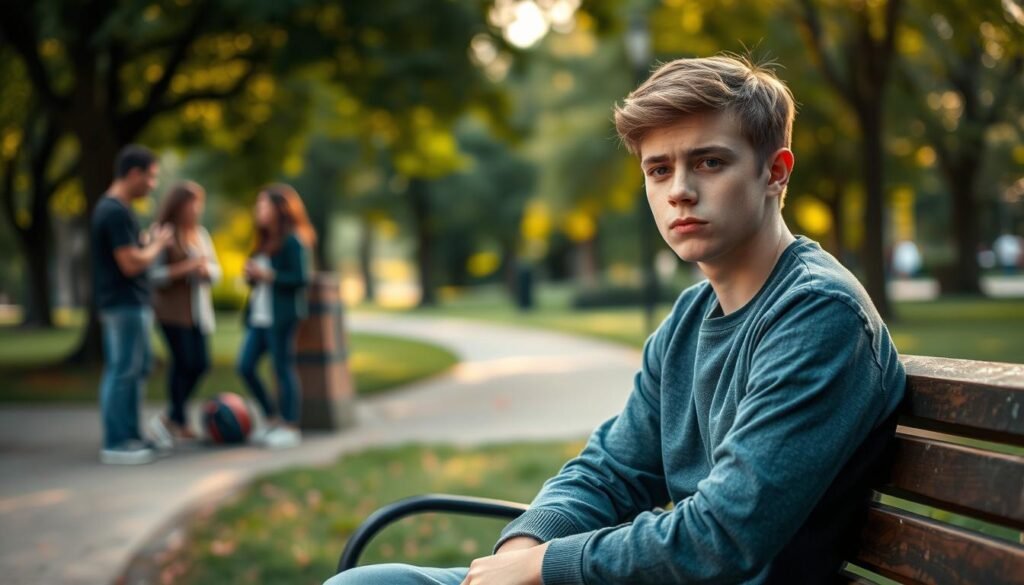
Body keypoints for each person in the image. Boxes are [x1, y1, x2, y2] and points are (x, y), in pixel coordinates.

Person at [325, 55, 906, 585]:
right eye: (659, 170)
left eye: (709, 162)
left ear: (775, 173)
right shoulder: (690, 317)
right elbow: (612, 469)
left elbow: (724, 536)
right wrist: (524, 548)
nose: (679, 190)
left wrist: (546, 567)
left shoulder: (819, 315)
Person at [91, 144, 173, 465]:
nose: (152, 185)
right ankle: (116, 442)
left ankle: (131, 436)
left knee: (136, 369)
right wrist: (157, 246)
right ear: (134, 173)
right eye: (151, 177)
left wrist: (145, 244)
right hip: (123, 304)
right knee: (123, 371)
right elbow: (130, 263)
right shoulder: (114, 211)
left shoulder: (119, 210)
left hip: (129, 303)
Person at [236, 184, 315, 449]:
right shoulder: (263, 239)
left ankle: (290, 426)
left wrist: (267, 275)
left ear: (278, 209)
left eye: (263, 205)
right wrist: (251, 276)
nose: (258, 210)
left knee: (282, 368)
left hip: (282, 316)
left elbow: (301, 278)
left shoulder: (293, 240)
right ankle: (271, 419)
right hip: (259, 316)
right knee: (245, 366)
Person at [147, 181, 222, 448]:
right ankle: (177, 420)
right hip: (171, 313)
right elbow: (151, 275)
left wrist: (205, 271)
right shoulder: (161, 233)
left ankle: (173, 418)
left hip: (197, 312)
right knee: (182, 363)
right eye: (192, 204)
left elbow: (216, 271)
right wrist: (183, 269)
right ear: (179, 206)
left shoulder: (199, 235)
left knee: (200, 364)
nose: (196, 210)